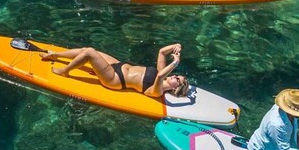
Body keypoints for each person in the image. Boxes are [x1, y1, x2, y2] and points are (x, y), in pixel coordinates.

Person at [39, 43, 190, 98]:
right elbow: (162, 52)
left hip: (114, 79)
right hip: (118, 65)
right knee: (87, 49)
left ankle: (65, 71)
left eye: (178, 79)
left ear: (176, 88)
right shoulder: (161, 74)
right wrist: (176, 46)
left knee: (90, 53)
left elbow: (161, 76)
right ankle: (55, 55)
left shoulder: (158, 91)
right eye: (177, 75)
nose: (175, 76)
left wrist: (175, 63)